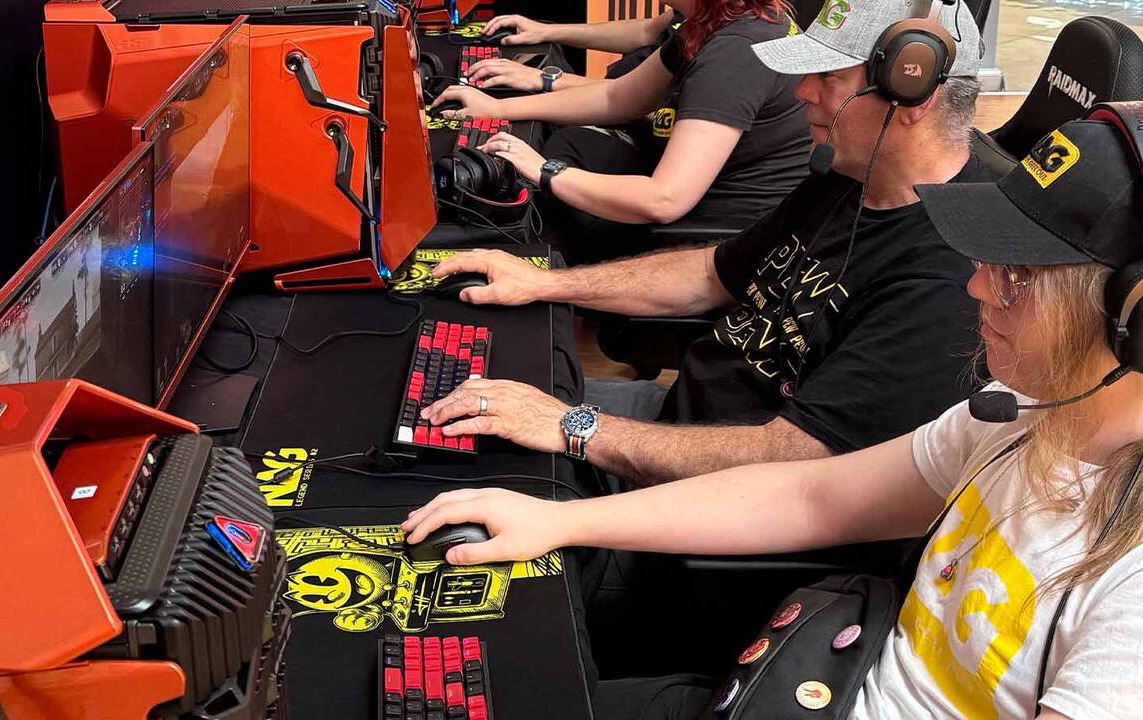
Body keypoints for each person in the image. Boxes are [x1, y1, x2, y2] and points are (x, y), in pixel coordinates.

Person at [404, 115, 1143, 720]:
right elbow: (811, 496)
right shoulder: (1013, 418)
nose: (977, 286)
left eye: (1017, 277)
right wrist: (558, 522)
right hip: (808, 685)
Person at [420, 0, 989, 486]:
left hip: (709, 488)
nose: (802, 92)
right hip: (673, 419)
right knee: (446, 415)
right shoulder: (846, 177)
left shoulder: (949, 279)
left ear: (911, 94)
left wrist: (571, 427)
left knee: (449, 478)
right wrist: (544, 283)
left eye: (829, 78)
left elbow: (792, 457)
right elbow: (712, 273)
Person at [432, 0, 811, 260]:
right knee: (572, 145)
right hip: (704, 201)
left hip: (711, 240)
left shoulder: (736, 50)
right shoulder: (716, 21)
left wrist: (546, 172)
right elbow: (619, 97)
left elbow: (664, 200)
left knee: (536, 209)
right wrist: (498, 108)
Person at [460, 11, 681, 92]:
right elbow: (647, 31)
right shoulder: (691, 15)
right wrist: (546, 31)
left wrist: (545, 80)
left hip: (631, 132)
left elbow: (638, 101)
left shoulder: (703, 45)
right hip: (613, 95)